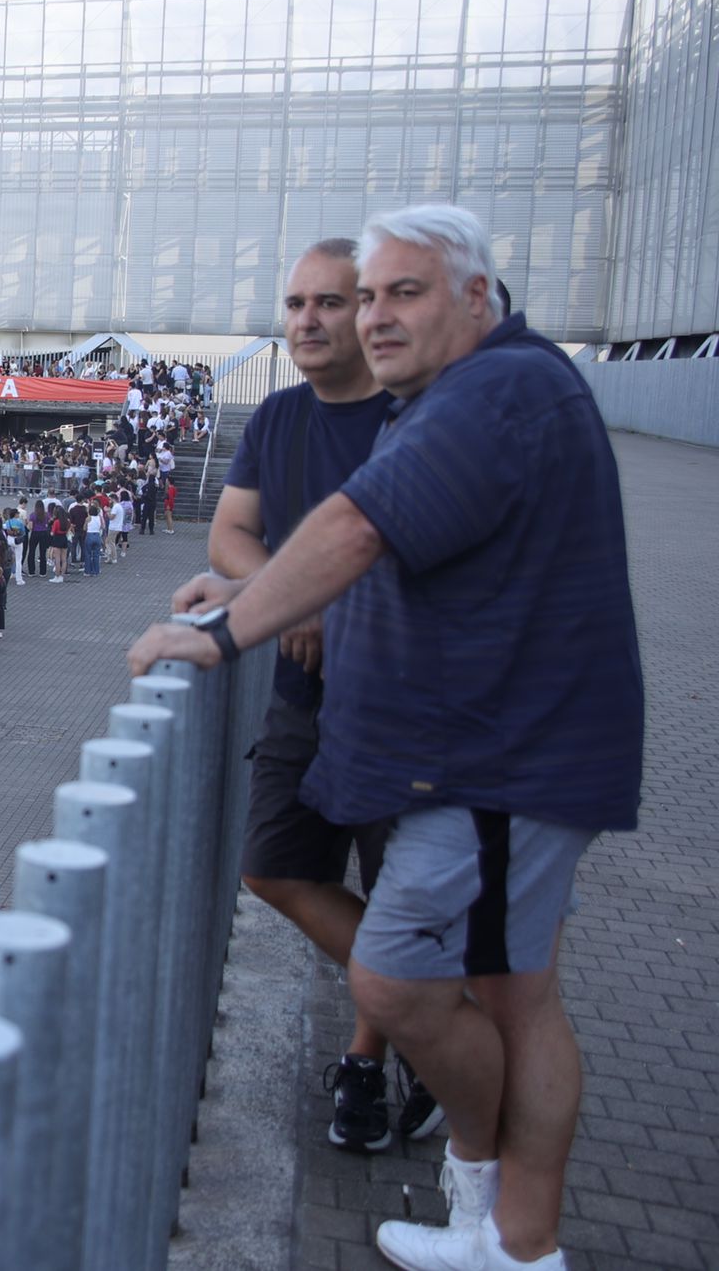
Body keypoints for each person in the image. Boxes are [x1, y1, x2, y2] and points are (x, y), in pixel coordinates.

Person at [128, 205, 642, 1271]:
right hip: (504, 747)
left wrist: (221, 631)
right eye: (365, 296)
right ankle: (506, 1228)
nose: (372, 316)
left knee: (400, 979)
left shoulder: (495, 389)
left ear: (473, 297)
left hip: (498, 755)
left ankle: (498, 1206)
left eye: (398, 292)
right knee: (511, 994)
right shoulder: (488, 386)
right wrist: (254, 583)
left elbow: (357, 527)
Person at [212, 235, 429, 1155]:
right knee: (272, 864)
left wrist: (319, 600)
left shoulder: (417, 416)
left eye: (327, 303)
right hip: (305, 696)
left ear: (370, 310)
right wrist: (279, 595)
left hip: (405, 708)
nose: (306, 321)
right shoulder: (279, 416)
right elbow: (228, 535)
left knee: (397, 888)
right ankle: (434, 1016)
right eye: (295, 304)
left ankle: (374, 1057)